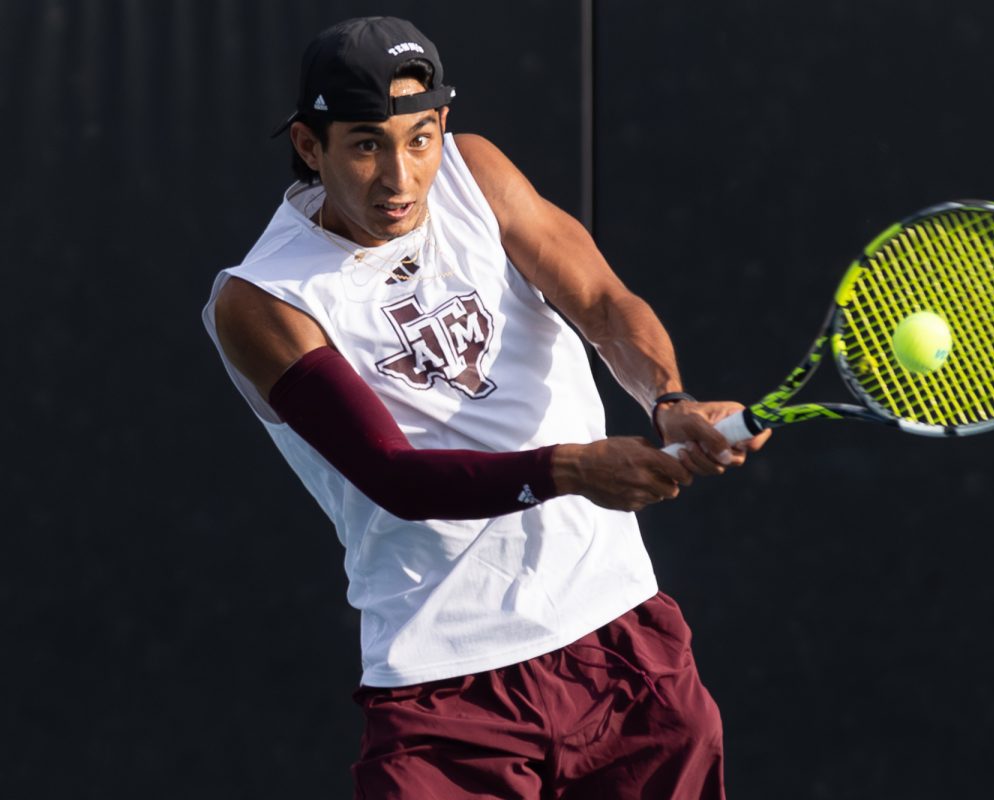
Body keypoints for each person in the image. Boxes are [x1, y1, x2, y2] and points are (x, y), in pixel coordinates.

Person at [201, 16, 768, 800]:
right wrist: (574, 469)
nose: (399, 180)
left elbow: (602, 302)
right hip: (444, 684)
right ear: (309, 146)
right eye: (366, 145)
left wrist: (668, 400)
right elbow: (393, 475)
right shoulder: (263, 300)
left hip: (620, 644)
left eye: (419, 139)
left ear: (442, 127)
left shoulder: (477, 174)